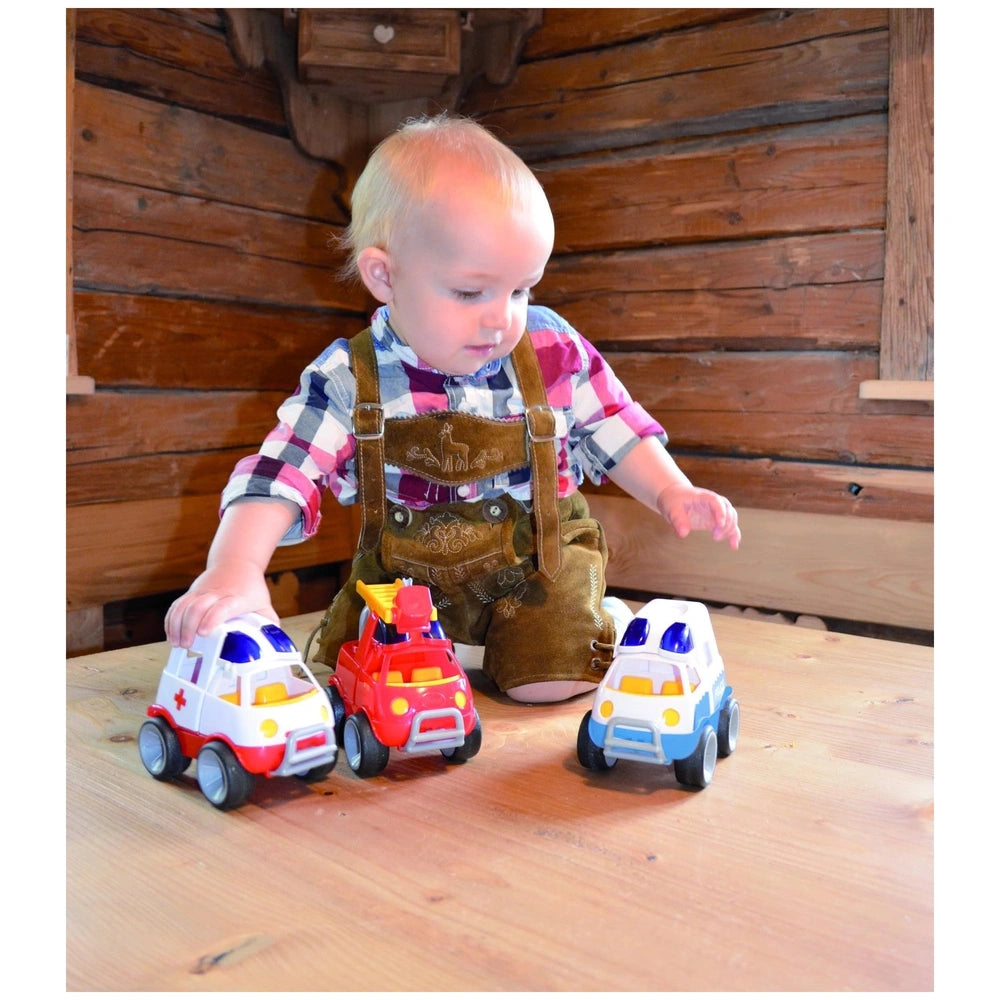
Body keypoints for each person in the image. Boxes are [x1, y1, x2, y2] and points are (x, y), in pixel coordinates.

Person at [164, 114, 740, 703]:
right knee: (351, 686)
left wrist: (672, 490)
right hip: (404, 584)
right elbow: (282, 470)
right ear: (384, 276)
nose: (501, 317)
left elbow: (614, 425)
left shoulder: (551, 349)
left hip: (537, 566)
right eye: (471, 292)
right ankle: (470, 646)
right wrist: (235, 567)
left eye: (521, 289)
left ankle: (591, 620)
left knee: (549, 680)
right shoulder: (350, 378)